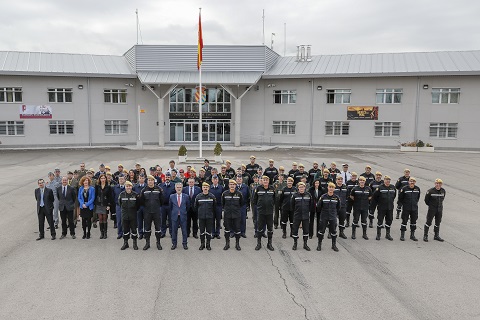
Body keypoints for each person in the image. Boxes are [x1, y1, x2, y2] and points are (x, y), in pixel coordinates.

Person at [139, 175, 164, 250]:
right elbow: (141, 201)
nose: (150, 181)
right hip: (147, 212)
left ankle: (158, 243)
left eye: (151, 180)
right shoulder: (144, 190)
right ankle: (147, 243)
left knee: (158, 228)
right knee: (147, 228)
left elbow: (162, 200)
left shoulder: (159, 189)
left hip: (156, 212)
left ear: (154, 181)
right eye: (149, 180)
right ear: (147, 181)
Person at [316, 182, 340, 252]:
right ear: (328, 188)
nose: (331, 189)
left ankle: (334, 245)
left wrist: (335, 214)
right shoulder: (323, 197)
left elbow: (338, 207)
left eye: (332, 187)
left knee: (333, 231)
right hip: (324, 216)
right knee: (321, 231)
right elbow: (319, 206)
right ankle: (319, 245)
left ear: (334, 189)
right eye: (330, 187)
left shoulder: (336, 198)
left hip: (332, 216)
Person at [253, 176, 275, 251]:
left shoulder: (272, 189)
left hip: (269, 212)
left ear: (268, 181)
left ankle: (269, 244)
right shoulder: (258, 189)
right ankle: (258, 244)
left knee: (270, 229)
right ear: (262, 181)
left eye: (267, 180)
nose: (265, 181)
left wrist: (271, 205)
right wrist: (259, 206)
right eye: (264, 180)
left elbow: (275, 199)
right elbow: (254, 200)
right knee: (259, 228)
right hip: (261, 212)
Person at [372, 175, 396, 241]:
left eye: (389, 180)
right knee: (380, 221)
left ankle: (387, 234)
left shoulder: (393, 187)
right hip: (381, 207)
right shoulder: (380, 188)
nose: (388, 181)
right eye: (386, 179)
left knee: (389, 221)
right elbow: (375, 197)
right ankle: (378, 234)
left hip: (390, 207)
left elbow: (394, 196)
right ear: (384, 180)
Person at [221, 180, 243, 250]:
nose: (232, 185)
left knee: (237, 229)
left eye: (233, 184)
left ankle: (237, 244)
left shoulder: (239, 194)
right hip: (227, 215)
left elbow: (241, 203)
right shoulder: (225, 194)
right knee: (227, 229)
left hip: (236, 215)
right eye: (230, 184)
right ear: (228, 185)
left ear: (235, 185)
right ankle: (227, 244)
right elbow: (223, 203)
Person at [290, 182, 312, 251]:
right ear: (298, 188)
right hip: (297, 215)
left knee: (306, 231)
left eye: (303, 187)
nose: (301, 188)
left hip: (305, 216)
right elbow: (292, 206)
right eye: (300, 187)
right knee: (295, 231)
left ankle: (305, 244)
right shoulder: (295, 195)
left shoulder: (308, 195)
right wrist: (295, 212)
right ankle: (295, 244)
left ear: (305, 188)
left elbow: (311, 206)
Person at [195, 182, 217, 250]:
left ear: (208, 188)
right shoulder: (198, 196)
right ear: (202, 188)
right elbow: (195, 206)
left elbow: (214, 207)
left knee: (208, 232)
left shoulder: (212, 197)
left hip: (209, 217)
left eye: (206, 187)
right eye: (204, 187)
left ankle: (208, 244)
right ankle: (202, 244)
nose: (205, 188)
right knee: (202, 232)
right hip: (201, 217)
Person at [118, 181, 139, 250]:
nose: (128, 187)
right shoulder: (121, 194)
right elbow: (120, 203)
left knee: (134, 230)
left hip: (133, 215)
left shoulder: (135, 195)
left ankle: (134, 243)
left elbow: (138, 205)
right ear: (125, 187)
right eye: (127, 186)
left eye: (129, 186)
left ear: (131, 187)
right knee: (125, 230)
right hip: (124, 215)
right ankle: (125, 243)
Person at [398, 177, 421, 241]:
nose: (412, 182)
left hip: (414, 208)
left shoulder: (417, 189)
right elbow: (400, 198)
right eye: (411, 181)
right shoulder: (404, 189)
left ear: (415, 182)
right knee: (404, 221)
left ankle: (412, 235)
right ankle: (402, 235)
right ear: (408, 182)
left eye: (413, 181)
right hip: (406, 208)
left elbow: (418, 198)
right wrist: (405, 204)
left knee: (413, 222)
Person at [169, 183, 190, 250]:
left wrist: (184, 212)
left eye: (180, 187)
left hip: (183, 216)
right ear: (175, 188)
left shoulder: (186, 196)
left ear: (182, 188)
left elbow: (188, 206)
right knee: (174, 231)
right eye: (177, 187)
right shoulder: (172, 196)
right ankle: (174, 244)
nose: (179, 188)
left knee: (184, 231)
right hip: (175, 216)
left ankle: (185, 244)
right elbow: (170, 206)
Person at [95, 174, 112, 239]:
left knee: (105, 218)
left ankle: (105, 233)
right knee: (100, 219)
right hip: (99, 204)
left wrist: (109, 205)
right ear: (99, 179)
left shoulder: (108, 187)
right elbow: (96, 195)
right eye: (101, 178)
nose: (103, 179)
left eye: (104, 178)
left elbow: (110, 197)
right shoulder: (97, 186)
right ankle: (101, 233)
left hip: (105, 204)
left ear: (106, 179)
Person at [160, 173, 176, 238]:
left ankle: (171, 232)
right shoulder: (161, 185)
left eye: (168, 177)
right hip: (162, 206)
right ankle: (162, 232)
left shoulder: (173, 185)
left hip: (170, 206)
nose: (167, 178)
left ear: (170, 178)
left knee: (171, 220)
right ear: (164, 178)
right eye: (166, 177)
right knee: (162, 220)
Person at [209, 175, 224, 239]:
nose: (215, 180)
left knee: (218, 220)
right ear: (212, 180)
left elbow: (223, 197)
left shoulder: (221, 187)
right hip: (211, 206)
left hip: (218, 206)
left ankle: (217, 233)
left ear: (218, 180)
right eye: (214, 179)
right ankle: (213, 233)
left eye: (216, 179)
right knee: (212, 220)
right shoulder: (209, 187)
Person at [133, 174, 147, 239]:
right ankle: (140, 233)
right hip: (138, 206)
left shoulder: (147, 186)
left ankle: (146, 233)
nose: (141, 179)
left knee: (146, 220)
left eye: (142, 178)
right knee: (139, 220)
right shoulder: (135, 187)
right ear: (138, 179)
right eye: (140, 178)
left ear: (144, 179)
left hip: (145, 206)